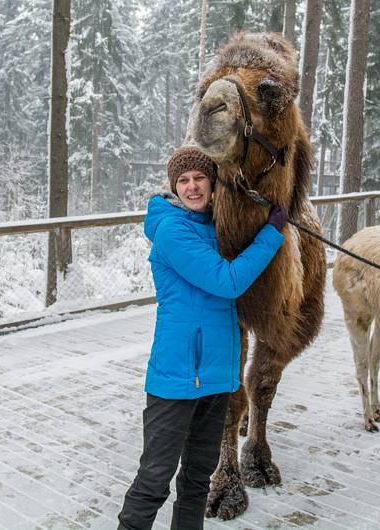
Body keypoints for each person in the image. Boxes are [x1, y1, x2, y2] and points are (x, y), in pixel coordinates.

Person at [117, 146, 288, 530]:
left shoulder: (216, 226)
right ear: (174, 188)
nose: (192, 187)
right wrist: (271, 234)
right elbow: (226, 281)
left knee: (197, 480)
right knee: (154, 480)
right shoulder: (172, 230)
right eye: (183, 181)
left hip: (217, 377)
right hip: (177, 379)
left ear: (212, 184)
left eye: (199, 178)